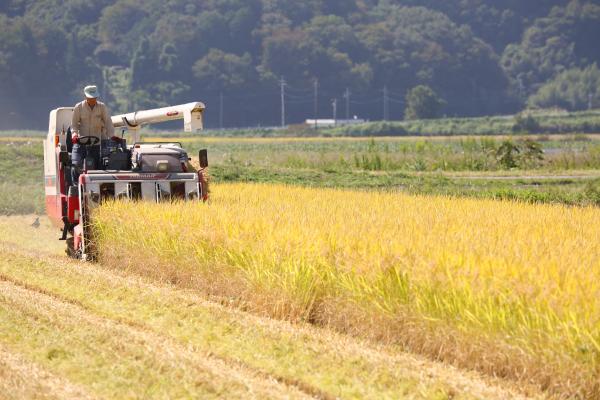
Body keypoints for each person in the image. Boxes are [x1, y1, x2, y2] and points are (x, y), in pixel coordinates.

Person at [71, 85, 119, 183]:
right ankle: (76, 184)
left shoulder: (102, 107)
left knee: (99, 165)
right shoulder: (79, 107)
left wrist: (112, 135)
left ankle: (97, 184)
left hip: (97, 143)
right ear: (85, 97)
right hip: (81, 142)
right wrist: (74, 135)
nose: (93, 99)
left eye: (94, 97)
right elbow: (74, 124)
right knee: (76, 164)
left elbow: (108, 122)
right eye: (90, 97)